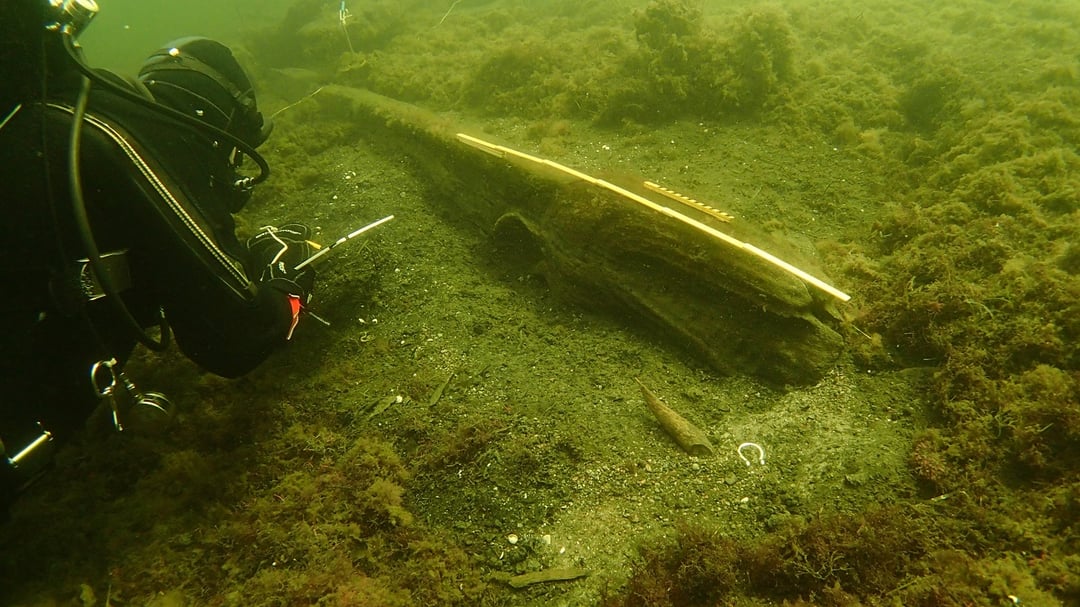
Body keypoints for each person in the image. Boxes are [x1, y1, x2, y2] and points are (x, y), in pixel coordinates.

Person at [0, 1, 318, 515]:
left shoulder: (46, 119)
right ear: (214, 123)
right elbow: (236, 337)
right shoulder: (123, 134)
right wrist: (285, 281)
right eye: (230, 151)